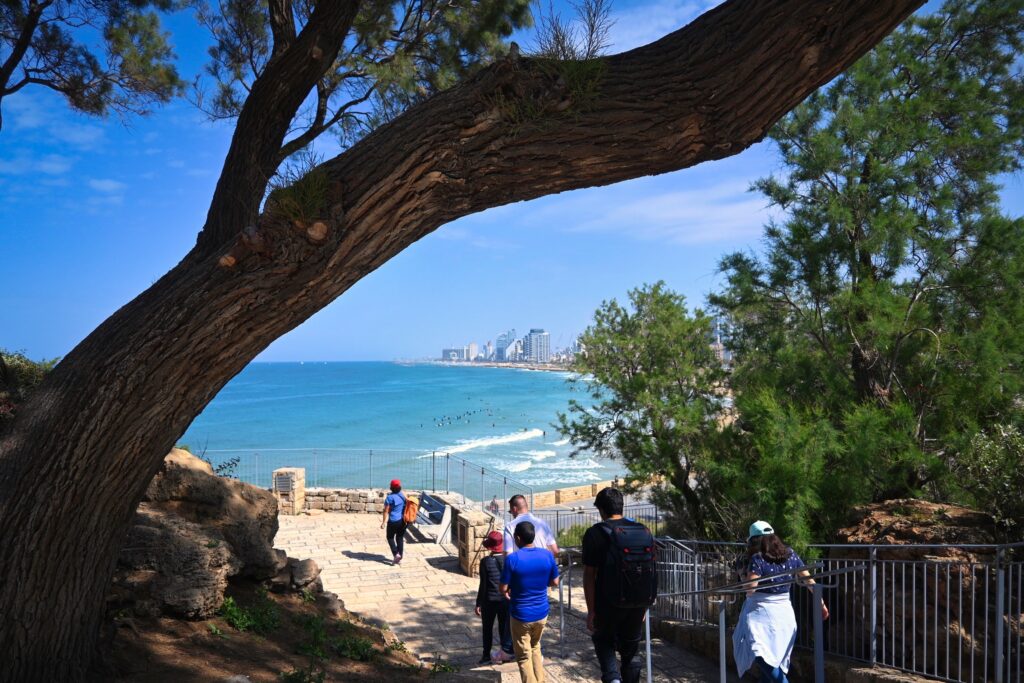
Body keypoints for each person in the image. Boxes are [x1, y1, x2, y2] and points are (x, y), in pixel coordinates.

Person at [732, 520, 829, 683]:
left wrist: (743, 575)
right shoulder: (791, 554)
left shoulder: (757, 559)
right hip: (785, 616)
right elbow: (810, 582)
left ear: (754, 540)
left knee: (760, 654)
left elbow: (749, 590)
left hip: (760, 616)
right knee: (773, 658)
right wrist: (822, 604)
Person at [582, 487, 653, 683]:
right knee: (631, 651)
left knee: (604, 643)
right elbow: (650, 569)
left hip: (608, 603)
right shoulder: (643, 531)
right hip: (637, 602)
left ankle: (613, 680)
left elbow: (589, 576)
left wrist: (591, 611)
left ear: (601, 510)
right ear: (621, 507)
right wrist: (645, 603)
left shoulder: (595, 533)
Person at [500, 521, 560, 683]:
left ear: (518, 538)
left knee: (523, 656)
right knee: (535, 647)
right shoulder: (547, 555)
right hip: (542, 613)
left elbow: (503, 588)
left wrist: (508, 592)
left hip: (521, 615)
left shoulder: (512, 559)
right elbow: (555, 582)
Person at [475, 530, 515, 665]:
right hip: (505, 600)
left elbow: (483, 584)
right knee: (504, 628)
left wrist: (478, 603)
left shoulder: (485, 562)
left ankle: (486, 655)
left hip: (489, 600)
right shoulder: (509, 560)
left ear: (490, 547)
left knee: (487, 629)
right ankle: (505, 654)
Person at [381, 479, 407, 565]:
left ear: (391, 487)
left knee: (390, 537)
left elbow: (386, 511)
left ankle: (396, 554)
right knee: (399, 538)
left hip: (393, 521)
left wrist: (383, 522)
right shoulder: (403, 494)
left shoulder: (389, 498)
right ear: (399, 487)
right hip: (403, 521)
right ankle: (400, 556)